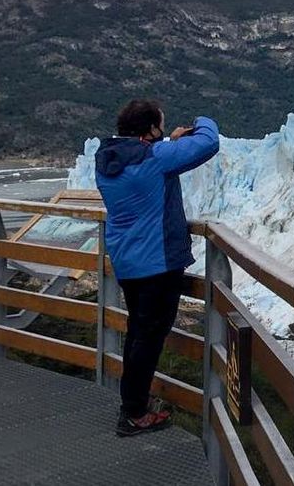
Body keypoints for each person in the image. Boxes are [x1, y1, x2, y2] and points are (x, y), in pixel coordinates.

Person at [94, 99, 219, 437]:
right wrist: (201, 116)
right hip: (157, 263)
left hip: (129, 262)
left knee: (138, 334)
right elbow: (209, 142)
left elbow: (146, 166)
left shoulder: (108, 159)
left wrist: (166, 143)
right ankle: (134, 413)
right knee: (148, 339)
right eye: (160, 125)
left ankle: (134, 405)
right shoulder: (155, 158)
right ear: (149, 130)